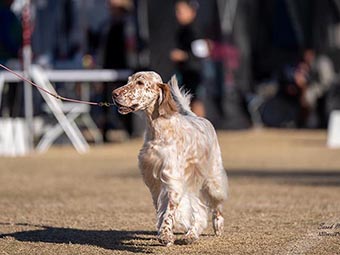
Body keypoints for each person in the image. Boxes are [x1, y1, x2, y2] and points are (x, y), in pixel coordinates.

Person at [170, 0, 205, 116]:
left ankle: (201, 130)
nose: (177, 14)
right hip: (184, 72)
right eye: (176, 11)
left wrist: (183, 55)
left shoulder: (195, 29)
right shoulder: (181, 29)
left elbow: (201, 53)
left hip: (194, 72)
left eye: (181, 11)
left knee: (196, 100)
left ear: (192, 11)